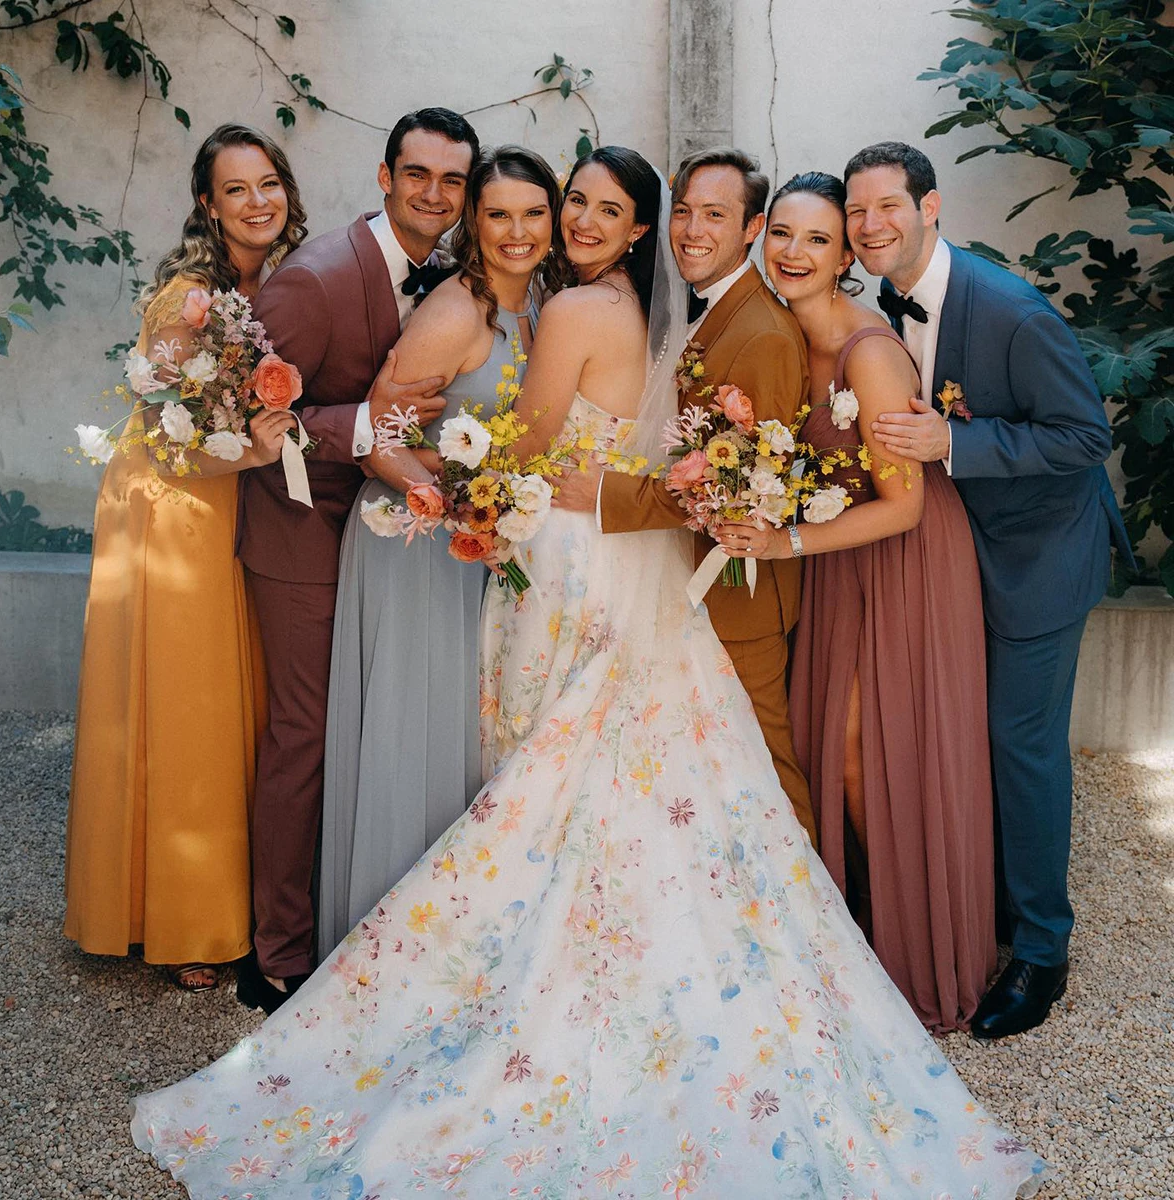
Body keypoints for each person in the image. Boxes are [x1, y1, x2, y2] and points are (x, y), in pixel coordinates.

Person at [132, 148, 1045, 1199]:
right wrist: (467, 461)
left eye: (611, 209)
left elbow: (532, 459)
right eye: (577, 202)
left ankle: (545, 979)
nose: (578, 221)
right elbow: (572, 457)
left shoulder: (589, 313)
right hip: (607, 568)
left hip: (576, 568)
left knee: (550, 774)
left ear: (655, 226)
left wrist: (464, 473)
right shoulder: (631, 311)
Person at [845, 142, 1133, 1039]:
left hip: (1040, 556)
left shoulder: (1011, 310)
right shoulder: (874, 311)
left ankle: (1042, 950)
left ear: (932, 208)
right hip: (962, 553)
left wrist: (957, 449)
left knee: (1022, 746)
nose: (870, 226)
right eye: (856, 213)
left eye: (888, 206)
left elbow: (1084, 437)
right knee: (970, 734)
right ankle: (988, 910)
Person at [712, 171, 996, 1032]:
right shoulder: (780, 335)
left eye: (818, 240)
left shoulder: (869, 352)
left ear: (845, 258)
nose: (794, 253)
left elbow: (904, 501)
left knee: (860, 753)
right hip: (839, 560)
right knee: (827, 737)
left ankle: (913, 951)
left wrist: (783, 539)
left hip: (903, 559)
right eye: (783, 235)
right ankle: (859, 927)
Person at [237, 108, 480, 1012]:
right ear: (384, 177)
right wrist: (361, 429)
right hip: (301, 533)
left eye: (452, 181)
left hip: (390, 535)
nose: (434, 194)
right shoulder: (315, 281)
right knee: (305, 733)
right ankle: (279, 951)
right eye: (417, 175)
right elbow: (246, 423)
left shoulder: (452, 277)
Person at [64, 124, 305, 992]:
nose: (258, 202)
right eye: (236, 189)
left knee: (219, 698)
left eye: (269, 183)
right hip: (171, 505)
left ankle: (212, 899)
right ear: (208, 203)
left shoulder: (263, 286)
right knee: (186, 705)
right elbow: (158, 424)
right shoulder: (190, 296)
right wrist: (248, 454)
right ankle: (180, 921)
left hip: (222, 495)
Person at [318, 145, 563, 958]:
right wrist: (458, 494)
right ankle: (387, 955)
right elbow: (373, 441)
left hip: (471, 542)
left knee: (463, 739)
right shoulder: (456, 312)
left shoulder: (540, 307)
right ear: (473, 222)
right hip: (411, 541)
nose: (517, 231)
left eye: (534, 213)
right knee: (412, 735)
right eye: (498, 214)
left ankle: (454, 946)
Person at [551, 147, 817, 848]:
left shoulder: (761, 333)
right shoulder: (705, 310)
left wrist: (607, 495)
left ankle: (812, 931)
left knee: (762, 769)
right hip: (682, 578)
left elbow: (738, 491)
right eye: (687, 212)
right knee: (710, 774)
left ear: (752, 228)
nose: (693, 229)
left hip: (740, 587)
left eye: (717, 216)